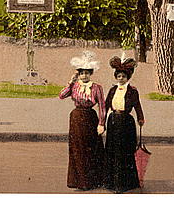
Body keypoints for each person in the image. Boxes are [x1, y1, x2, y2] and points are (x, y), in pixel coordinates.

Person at [59, 51, 107, 190]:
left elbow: (102, 106)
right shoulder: (75, 86)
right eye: (81, 73)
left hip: (90, 118)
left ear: (90, 73)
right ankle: (79, 181)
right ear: (78, 74)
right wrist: (70, 82)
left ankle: (92, 181)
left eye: (87, 73)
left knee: (91, 149)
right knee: (77, 149)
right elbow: (61, 95)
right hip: (76, 119)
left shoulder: (97, 87)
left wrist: (101, 123)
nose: (84, 76)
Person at [103, 56, 144, 193]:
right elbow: (106, 105)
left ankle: (125, 183)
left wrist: (140, 118)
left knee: (125, 152)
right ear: (116, 77)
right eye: (118, 76)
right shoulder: (113, 90)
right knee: (113, 151)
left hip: (126, 122)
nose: (121, 78)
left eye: (123, 76)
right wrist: (102, 121)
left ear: (128, 77)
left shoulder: (133, 91)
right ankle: (112, 182)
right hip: (114, 121)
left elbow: (137, 105)